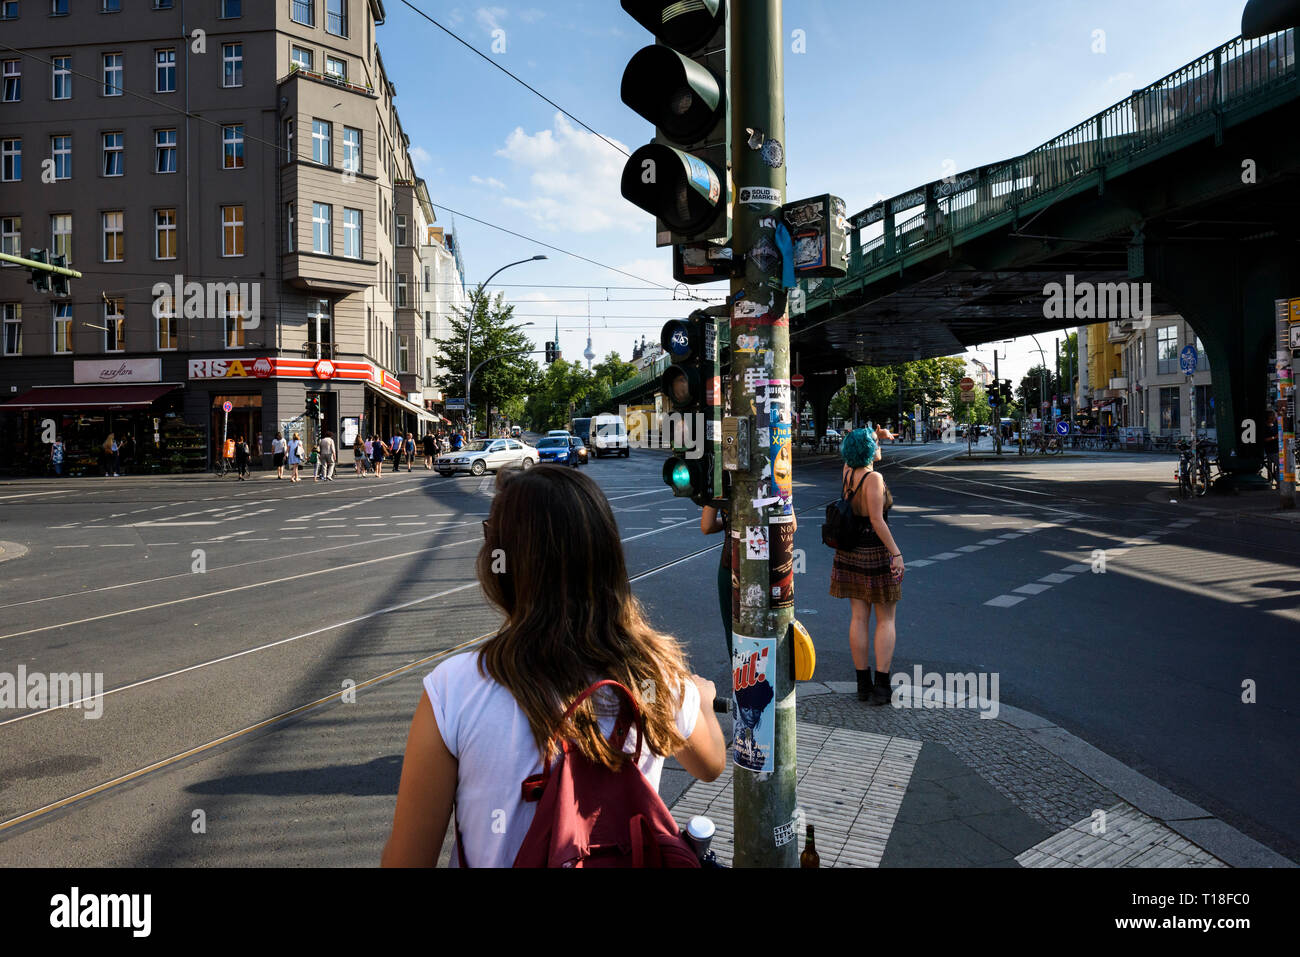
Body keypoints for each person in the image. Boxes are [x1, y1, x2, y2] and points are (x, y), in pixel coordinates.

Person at [382, 466, 727, 867]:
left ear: (504, 565)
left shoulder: (454, 690)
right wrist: (700, 700)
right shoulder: (654, 677)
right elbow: (711, 764)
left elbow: (407, 860)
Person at [829, 428, 904, 705]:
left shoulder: (848, 471)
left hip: (850, 552)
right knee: (886, 619)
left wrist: (877, 434)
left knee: (858, 618)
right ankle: (882, 687)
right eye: (875, 444)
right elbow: (877, 520)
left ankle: (863, 684)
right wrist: (896, 553)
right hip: (874, 552)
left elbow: (859, 443)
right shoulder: (874, 478)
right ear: (870, 451)